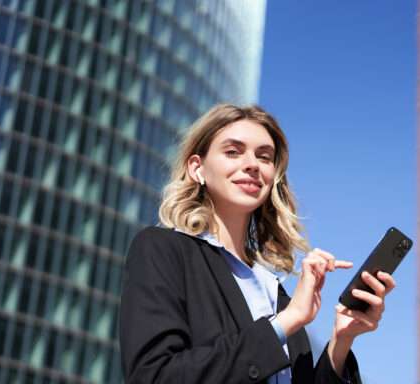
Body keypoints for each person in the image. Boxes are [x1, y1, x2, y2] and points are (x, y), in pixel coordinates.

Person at [119, 104, 396, 383]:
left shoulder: (274, 290)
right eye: (233, 152)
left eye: (264, 157)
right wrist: (285, 323)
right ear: (197, 168)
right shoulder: (162, 249)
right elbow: (153, 376)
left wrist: (341, 339)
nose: (252, 164)